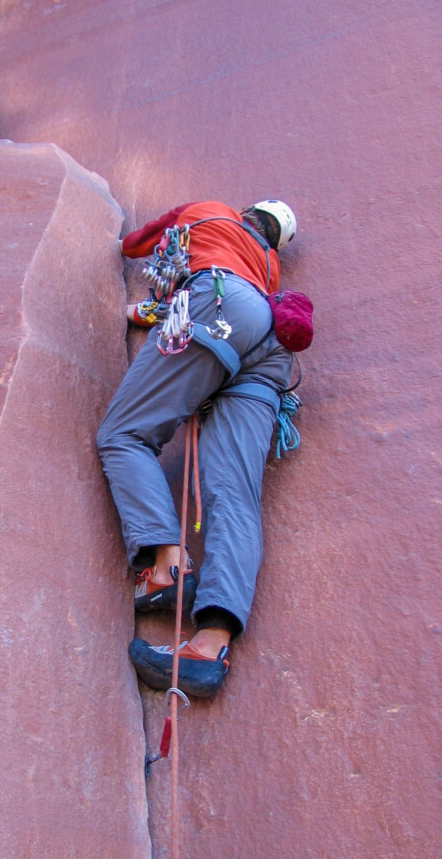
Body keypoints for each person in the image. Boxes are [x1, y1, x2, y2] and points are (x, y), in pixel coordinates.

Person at [97, 199, 297, 698]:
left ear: (249, 211)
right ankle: (209, 648)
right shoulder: (270, 265)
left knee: (124, 434)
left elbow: (138, 243)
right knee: (235, 492)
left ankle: (168, 565)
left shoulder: (210, 210)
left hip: (219, 304)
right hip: (269, 341)